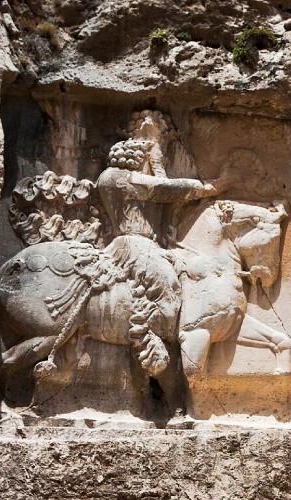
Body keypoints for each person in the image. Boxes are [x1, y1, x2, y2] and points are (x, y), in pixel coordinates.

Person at [94, 110, 233, 375]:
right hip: (133, 246)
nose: (151, 153)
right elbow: (163, 190)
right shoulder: (115, 177)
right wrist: (214, 187)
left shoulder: (133, 176)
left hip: (154, 246)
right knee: (165, 284)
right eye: (146, 149)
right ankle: (147, 339)